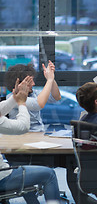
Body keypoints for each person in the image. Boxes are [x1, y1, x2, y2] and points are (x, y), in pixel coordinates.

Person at [0, 76, 60, 204]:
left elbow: (2, 108)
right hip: (3, 178)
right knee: (50, 174)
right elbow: (23, 126)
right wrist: (21, 103)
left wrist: (15, 97)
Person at [4, 61, 61, 132]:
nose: (33, 84)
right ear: (19, 83)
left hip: (38, 133)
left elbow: (56, 97)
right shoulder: (12, 98)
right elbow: (38, 104)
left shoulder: (33, 93)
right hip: (22, 135)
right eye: (30, 81)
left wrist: (51, 78)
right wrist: (49, 80)